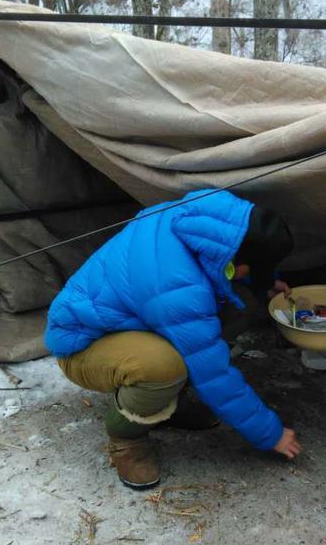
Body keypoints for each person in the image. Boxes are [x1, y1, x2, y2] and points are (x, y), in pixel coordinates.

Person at [45, 190, 302, 490]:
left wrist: (264, 283)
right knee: (167, 366)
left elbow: (226, 260)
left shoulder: (208, 216)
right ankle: (126, 438)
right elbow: (212, 370)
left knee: (235, 306)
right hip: (82, 345)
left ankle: (166, 403)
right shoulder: (177, 285)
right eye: (253, 269)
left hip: (126, 320)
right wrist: (269, 433)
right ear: (236, 261)